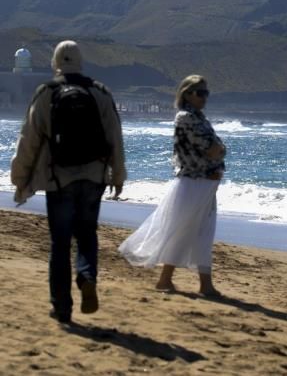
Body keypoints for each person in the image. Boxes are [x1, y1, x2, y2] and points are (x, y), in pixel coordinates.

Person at [11, 40, 126, 324]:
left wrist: (20, 178)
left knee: (59, 243)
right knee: (87, 235)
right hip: (94, 177)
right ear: (81, 61)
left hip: (58, 179)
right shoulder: (99, 93)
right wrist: (118, 176)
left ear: (55, 63)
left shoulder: (46, 93)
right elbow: (115, 138)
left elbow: (29, 140)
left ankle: (61, 307)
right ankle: (86, 276)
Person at [119, 74, 226, 296]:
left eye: (207, 93)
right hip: (193, 182)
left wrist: (218, 150)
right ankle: (172, 280)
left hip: (204, 183)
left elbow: (218, 148)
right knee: (184, 231)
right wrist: (218, 150)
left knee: (200, 232)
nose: (204, 97)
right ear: (187, 94)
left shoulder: (198, 117)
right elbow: (211, 147)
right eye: (200, 93)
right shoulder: (187, 118)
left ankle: (198, 283)